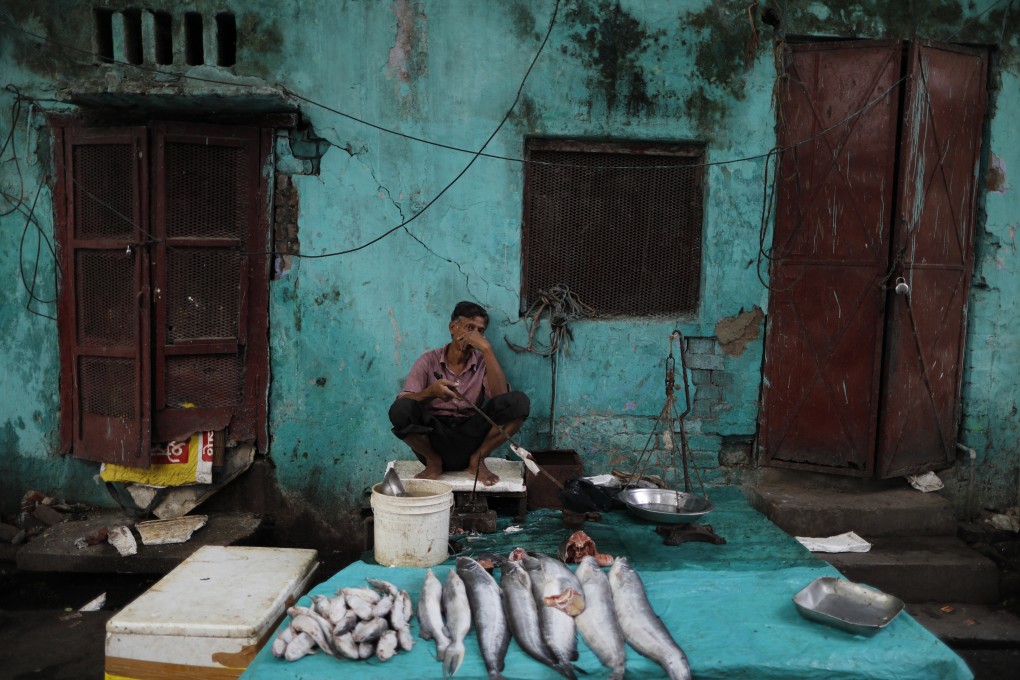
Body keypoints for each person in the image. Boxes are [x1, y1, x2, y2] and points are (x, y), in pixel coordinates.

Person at [389, 301, 530, 486]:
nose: (473, 336)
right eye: (469, 328)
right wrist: (431, 393)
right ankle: (433, 461)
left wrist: (487, 350)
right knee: (400, 409)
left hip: (471, 438)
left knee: (518, 403)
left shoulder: (482, 361)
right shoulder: (428, 361)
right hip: (435, 439)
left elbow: (501, 398)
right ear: (453, 328)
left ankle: (477, 460)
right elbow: (404, 401)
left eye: (480, 331)